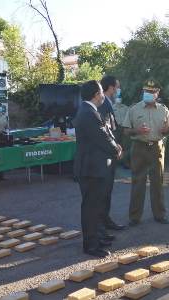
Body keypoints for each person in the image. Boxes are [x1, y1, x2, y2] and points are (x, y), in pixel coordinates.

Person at [73, 80, 122, 258]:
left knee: (95, 206)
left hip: (94, 168)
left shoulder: (88, 110)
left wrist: (114, 146)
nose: (103, 95)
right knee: (91, 208)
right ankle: (91, 245)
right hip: (91, 169)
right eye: (101, 92)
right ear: (95, 94)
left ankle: (97, 238)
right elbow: (101, 137)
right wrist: (116, 148)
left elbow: (104, 132)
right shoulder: (88, 113)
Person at [123, 80, 169, 226]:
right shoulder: (134, 109)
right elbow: (126, 130)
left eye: (151, 92)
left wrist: (166, 131)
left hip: (157, 148)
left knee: (158, 182)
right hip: (139, 147)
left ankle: (159, 214)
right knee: (138, 182)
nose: (148, 94)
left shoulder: (164, 110)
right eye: (146, 91)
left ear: (157, 94)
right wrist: (137, 131)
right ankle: (134, 217)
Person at [98, 75, 126, 232]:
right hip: (106, 155)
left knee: (107, 190)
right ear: (110, 87)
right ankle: (103, 223)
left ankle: (105, 220)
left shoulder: (108, 103)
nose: (118, 90)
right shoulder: (102, 105)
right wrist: (114, 148)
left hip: (111, 152)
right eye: (117, 87)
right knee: (103, 190)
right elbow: (105, 132)